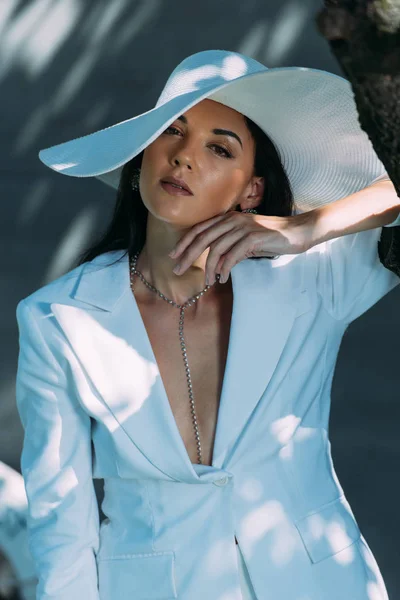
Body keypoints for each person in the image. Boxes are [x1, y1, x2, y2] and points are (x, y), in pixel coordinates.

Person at [15, 49, 400, 600]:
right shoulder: (60, 321)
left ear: (252, 191)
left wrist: (308, 229)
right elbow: (63, 526)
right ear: (141, 158)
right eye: (171, 132)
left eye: (219, 147)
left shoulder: (313, 281)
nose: (184, 157)